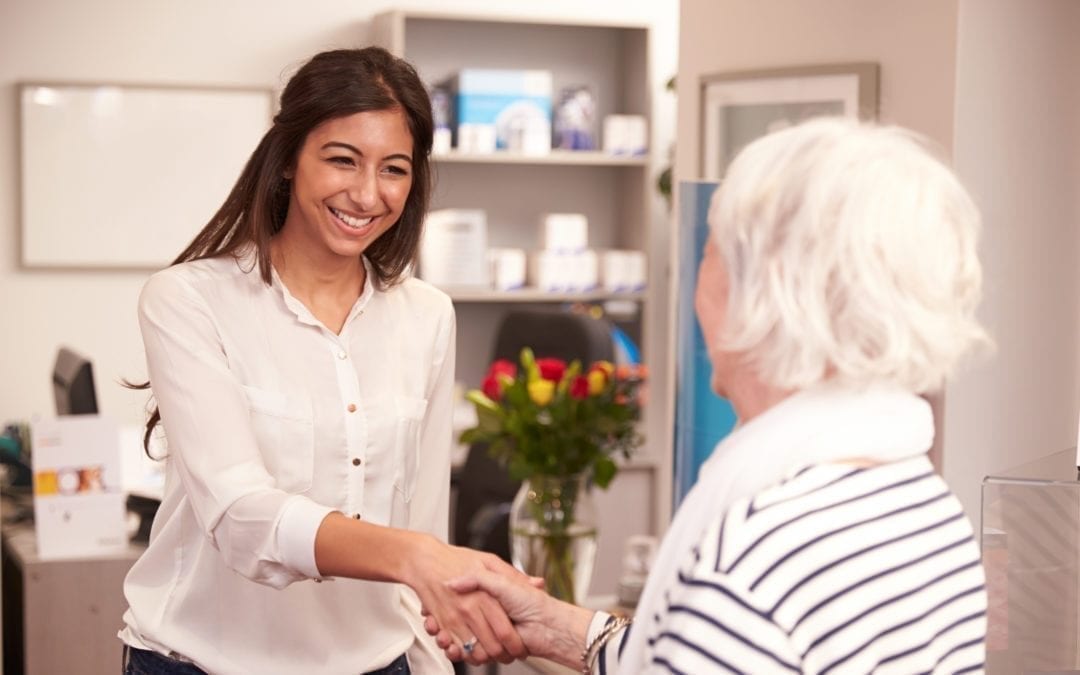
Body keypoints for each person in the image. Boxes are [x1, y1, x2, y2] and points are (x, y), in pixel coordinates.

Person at [426, 117, 992, 673]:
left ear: (764, 293)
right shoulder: (929, 506)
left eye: (711, 251)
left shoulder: (749, 561)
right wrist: (553, 625)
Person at [119, 47, 531, 675]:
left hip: (378, 662)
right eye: (342, 159)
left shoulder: (427, 315)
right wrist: (414, 555)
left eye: (394, 168)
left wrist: (430, 639)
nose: (367, 194)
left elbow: (422, 516)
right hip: (202, 662)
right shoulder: (188, 300)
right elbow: (240, 516)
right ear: (287, 161)